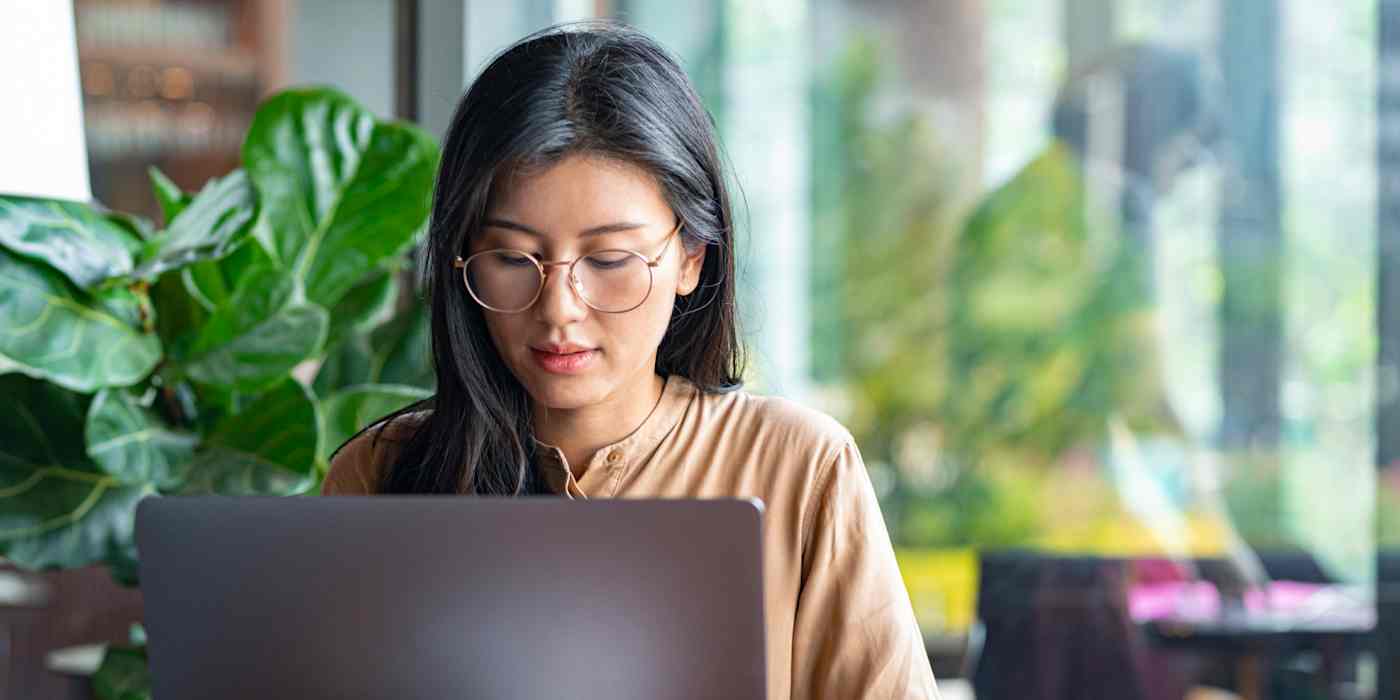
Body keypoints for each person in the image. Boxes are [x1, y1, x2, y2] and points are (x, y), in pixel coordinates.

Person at [322, 21, 939, 700]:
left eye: (610, 259)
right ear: (462, 256)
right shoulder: (379, 477)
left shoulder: (799, 469)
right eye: (510, 257)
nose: (558, 307)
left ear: (692, 259)